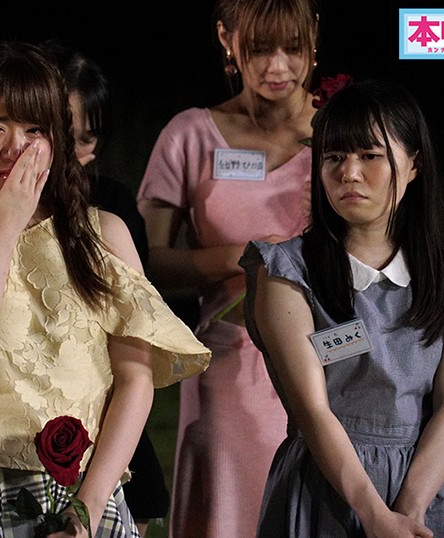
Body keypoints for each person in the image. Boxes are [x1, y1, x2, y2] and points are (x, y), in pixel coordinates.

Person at [0, 40, 211, 537]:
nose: (16, 147)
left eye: (35, 129)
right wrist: (4, 230)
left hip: (83, 498)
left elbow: (135, 380)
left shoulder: (103, 233)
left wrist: (87, 509)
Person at [239, 79, 444, 537]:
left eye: (370, 156)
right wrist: (374, 516)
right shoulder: (286, 274)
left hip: (431, 488)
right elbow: (313, 411)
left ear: (414, 165)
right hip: (326, 491)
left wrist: (409, 512)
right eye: (334, 157)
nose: (349, 173)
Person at [135, 0, 317, 535]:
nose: (278, 66)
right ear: (225, 38)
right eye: (260, 49)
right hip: (232, 364)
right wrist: (248, 254)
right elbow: (143, 262)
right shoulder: (191, 135)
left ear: (315, 36)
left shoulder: (346, 131)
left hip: (333, 351)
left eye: (293, 47)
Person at [39, 38, 169, 537]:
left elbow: (134, 331)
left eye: (88, 138)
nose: (74, 152)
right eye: (59, 132)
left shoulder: (109, 210)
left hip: (104, 415)